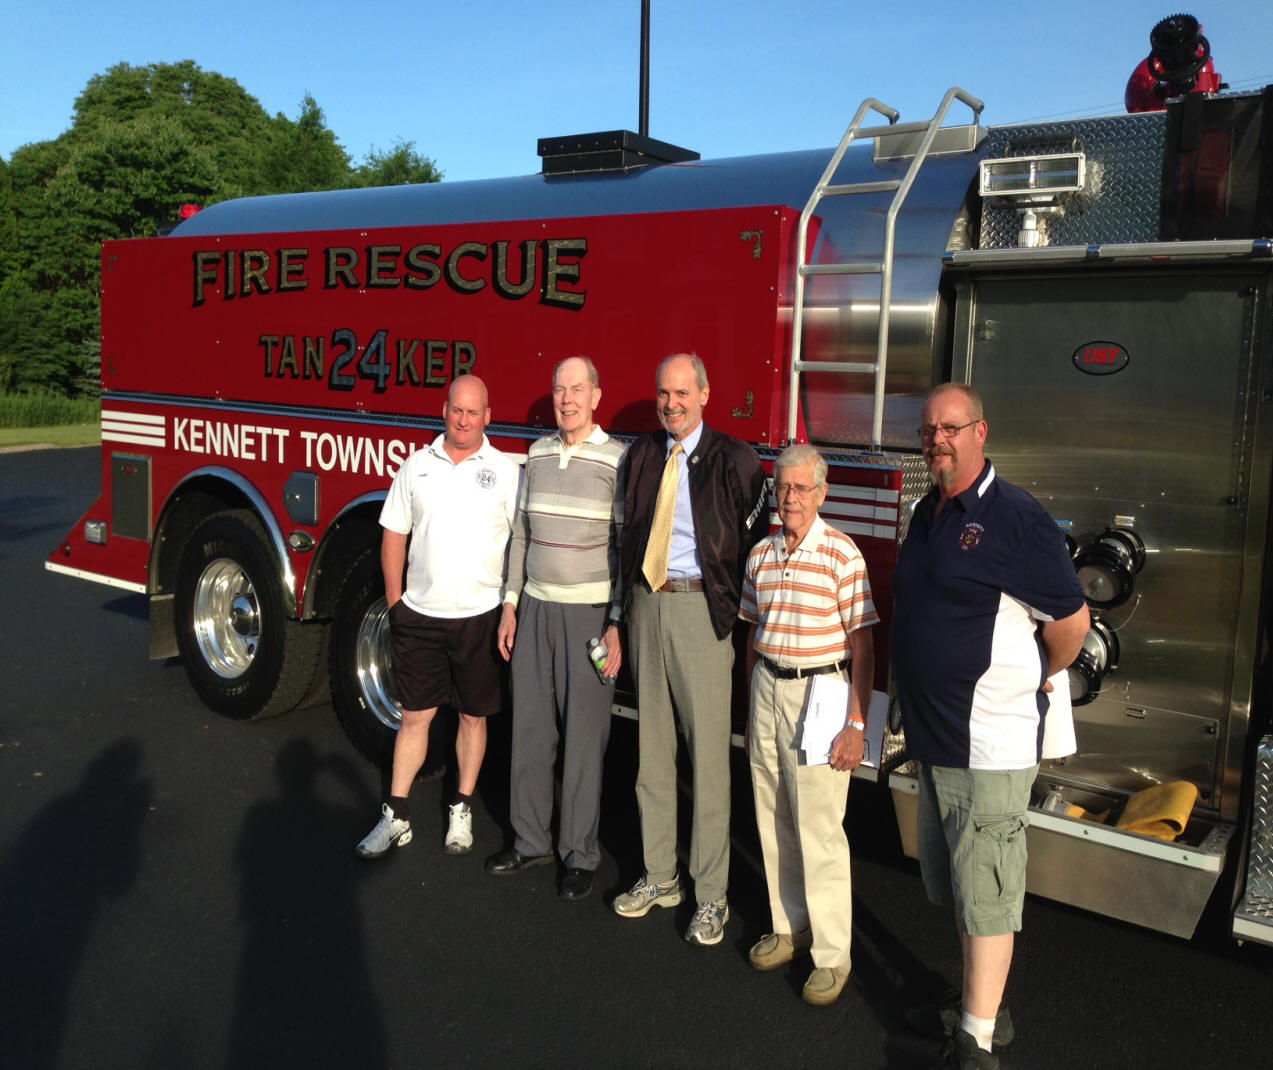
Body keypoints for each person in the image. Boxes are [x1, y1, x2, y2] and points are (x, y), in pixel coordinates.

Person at [891, 383, 1089, 1069]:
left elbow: (1070, 628)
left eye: (950, 428)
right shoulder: (928, 512)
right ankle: (982, 1007)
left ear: (980, 432)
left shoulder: (1017, 520)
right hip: (938, 740)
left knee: (989, 894)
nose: (935, 440)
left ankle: (975, 1045)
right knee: (960, 889)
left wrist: (1036, 674)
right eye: (927, 430)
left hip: (990, 743)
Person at [611, 352, 768, 946]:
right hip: (648, 605)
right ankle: (659, 877)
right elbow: (627, 533)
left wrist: (729, 615)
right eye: (662, 393)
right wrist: (619, 613)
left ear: (705, 392)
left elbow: (751, 543)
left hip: (703, 614)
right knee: (652, 754)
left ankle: (711, 897)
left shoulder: (736, 459)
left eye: (681, 392)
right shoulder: (644, 454)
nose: (670, 403)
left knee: (707, 762)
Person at [355, 374, 519, 860]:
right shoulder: (415, 467)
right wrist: (394, 602)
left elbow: (522, 543)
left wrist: (510, 603)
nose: (464, 420)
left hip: (479, 617)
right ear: (443, 410)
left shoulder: (506, 471)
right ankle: (396, 815)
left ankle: (461, 809)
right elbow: (393, 534)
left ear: (488, 416)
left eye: (474, 412)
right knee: (414, 717)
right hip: (421, 616)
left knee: (472, 717)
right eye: (456, 410)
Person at [738, 444, 877, 1006]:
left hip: (822, 693)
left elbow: (864, 645)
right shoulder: (761, 555)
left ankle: (832, 955)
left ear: (822, 493)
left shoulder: (843, 555)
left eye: (801, 488)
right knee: (773, 819)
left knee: (819, 829)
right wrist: (750, 707)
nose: (790, 498)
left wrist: (857, 723)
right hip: (768, 687)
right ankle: (788, 926)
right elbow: (752, 634)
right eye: (783, 487)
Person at [484, 357, 626, 901]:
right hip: (536, 609)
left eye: (577, 390)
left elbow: (622, 546)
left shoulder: (618, 460)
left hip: (588, 615)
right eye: (558, 390)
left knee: (585, 740)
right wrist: (511, 604)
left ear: (596, 395)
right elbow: (520, 534)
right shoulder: (538, 454)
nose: (566, 399)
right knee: (531, 730)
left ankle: (579, 854)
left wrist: (615, 623)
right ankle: (529, 839)